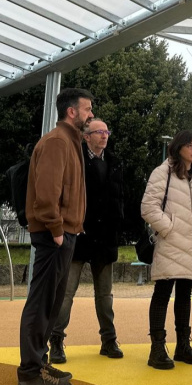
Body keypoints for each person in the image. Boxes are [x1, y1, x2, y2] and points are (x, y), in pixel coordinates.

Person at [17, 88, 93, 385]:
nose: (91, 115)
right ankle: (29, 375)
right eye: (87, 109)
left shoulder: (70, 142)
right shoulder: (58, 142)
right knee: (41, 303)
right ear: (72, 112)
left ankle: (39, 364)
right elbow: (47, 192)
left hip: (63, 234)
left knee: (50, 302)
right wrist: (57, 228)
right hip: (54, 236)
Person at [48, 119, 125, 364]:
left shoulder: (114, 162)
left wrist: (120, 226)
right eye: (98, 132)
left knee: (105, 295)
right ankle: (57, 341)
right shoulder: (76, 159)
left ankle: (109, 340)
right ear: (86, 136)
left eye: (106, 131)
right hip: (78, 236)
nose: (104, 136)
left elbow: (121, 198)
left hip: (105, 239)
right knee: (66, 293)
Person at [141, 130, 192, 370]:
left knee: (185, 295)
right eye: (190, 145)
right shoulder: (162, 172)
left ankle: (182, 345)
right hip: (171, 243)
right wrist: (170, 229)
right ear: (178, 147)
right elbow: (148, 207)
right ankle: (157, 348)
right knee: (163, 293)